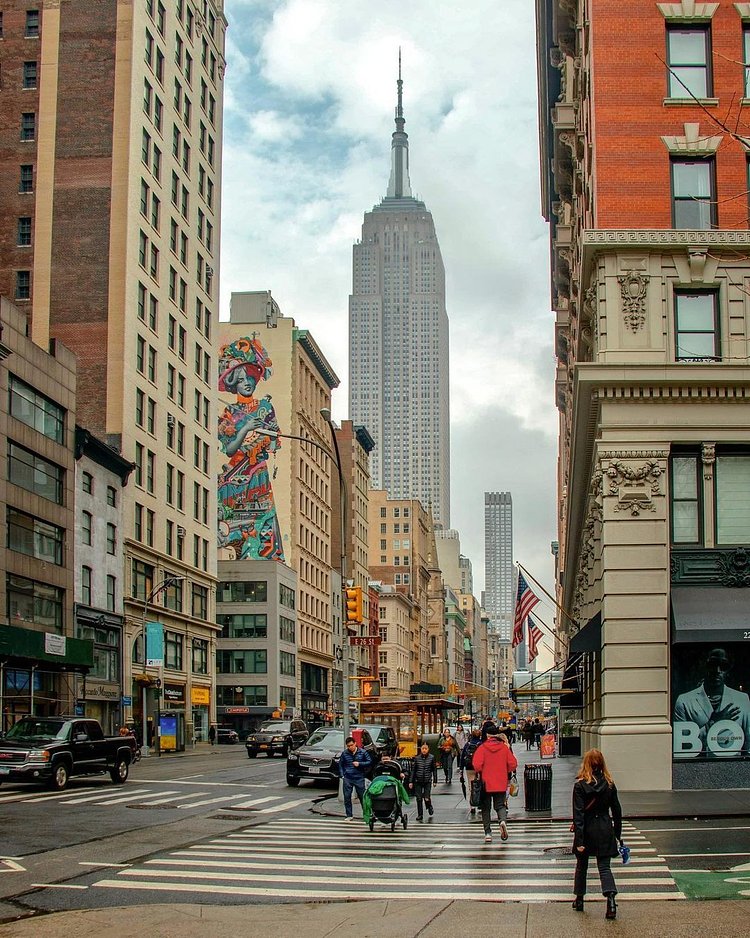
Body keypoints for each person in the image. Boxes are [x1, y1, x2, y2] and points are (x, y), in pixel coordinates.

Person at [571, 748, 623, 920]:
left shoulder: (580, 785)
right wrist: (617, 833)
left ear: (586, 763)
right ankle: (611, 901)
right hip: (604, 827)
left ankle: (579, 899)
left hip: (587, 829)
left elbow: (578, 815)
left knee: (582, 866)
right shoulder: (609, 784)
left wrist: (579, 840)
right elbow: (617, 810)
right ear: (602, 764)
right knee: (604, 867)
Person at [673, 646, 750, 757]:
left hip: (732, 766)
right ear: (703, 666)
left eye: (723, 666)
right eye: (712, 664)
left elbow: (749, 742)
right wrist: (713, 723)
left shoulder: (742, 699)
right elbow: (682, 746)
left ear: (728, 670)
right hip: (697, 767)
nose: (717, 671)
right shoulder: (684, 701)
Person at [472, 724, 518, 844]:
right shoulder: (504, 748)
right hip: (500, 782)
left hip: (486, 783)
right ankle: (502, 821)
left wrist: (482, 771)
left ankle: (488, 833)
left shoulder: (482, 748)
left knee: (486, 808)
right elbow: (513, 764)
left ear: (487, 735)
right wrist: (504, 770)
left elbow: (476, 765)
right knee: (500, 806)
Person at [339, 735, 372, 820]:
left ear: (355, 744)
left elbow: (369, 761)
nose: (350, 747)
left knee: (362, 797)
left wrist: (360, 764)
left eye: (351, 745)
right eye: (348, 746)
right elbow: (341, 764)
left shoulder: (362, 752)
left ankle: (366, 814)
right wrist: (342, 775)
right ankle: (349, 815)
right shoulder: (345, 753)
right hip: (348, 777)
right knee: (347, 797)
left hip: (359, 777)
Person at [409, 742, 438, 821]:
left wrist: (435, 780)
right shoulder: (417, 758)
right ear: (420, 749)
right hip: (418, 780)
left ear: (428, 749)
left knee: (426, 797)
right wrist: (411, 781)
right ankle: (420, 814)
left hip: (427, 780)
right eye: (423, 749)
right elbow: (413, 771)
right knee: (418, 798)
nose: (424, 750)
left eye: (426, 749)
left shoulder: (432, 758)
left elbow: (434, 770)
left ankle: (429, 806)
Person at [459, 727, 483, 816]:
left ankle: (472, 805)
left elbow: (462, 757)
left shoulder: (468, 744)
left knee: (470, 785)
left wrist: (461, 768)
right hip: (479, 767)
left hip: (469, 767)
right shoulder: (481, 744)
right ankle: (479, 803)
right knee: (479, 785)